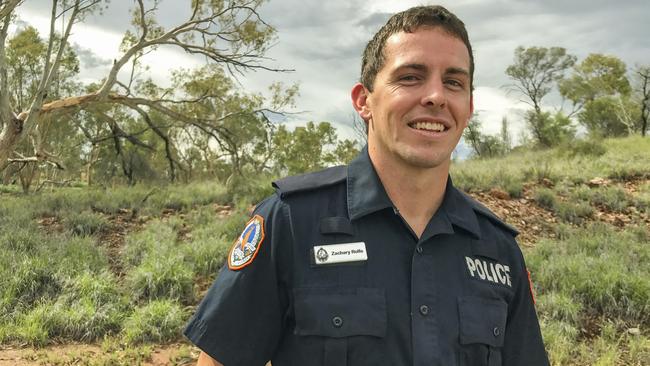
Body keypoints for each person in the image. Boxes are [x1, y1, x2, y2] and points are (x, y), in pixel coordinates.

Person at [185, 5, 550, 366]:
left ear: (468, 108)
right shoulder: (292, 221)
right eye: (410, 77)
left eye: (454, 82)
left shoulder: (497, 249)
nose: (436, 96)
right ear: (364, 101)